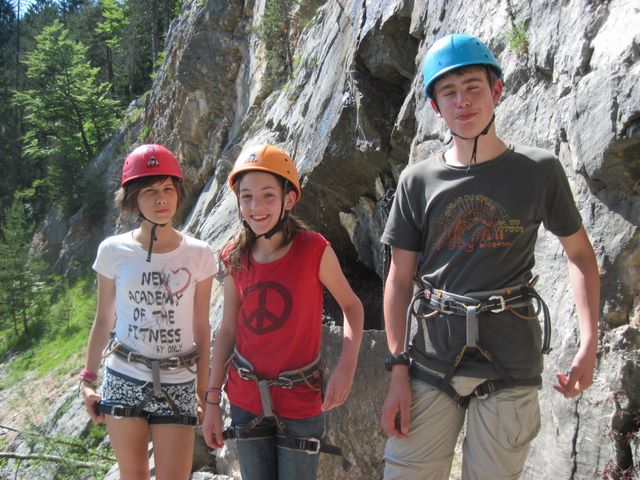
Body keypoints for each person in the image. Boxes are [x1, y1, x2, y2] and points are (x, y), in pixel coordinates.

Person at [379, 33, 600, 479]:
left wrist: (589, 342)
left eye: (473, 87)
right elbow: (399, 280)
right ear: (435, 106)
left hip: (510, 362)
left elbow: (579, 255)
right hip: (432, 361)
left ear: (496, 90)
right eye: (449, 92)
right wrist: (398, 370)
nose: (462, 101)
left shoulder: (538, 171)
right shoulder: (417, 181)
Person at [201, 143, 364, 480]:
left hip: (299, 398)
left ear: (288, 200)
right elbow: (228, 330)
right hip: (246, 397)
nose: (256, 207)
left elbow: (351, 306)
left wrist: (346, 368)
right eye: (247, 197)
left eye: (268, 196)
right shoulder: (234, 256)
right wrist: (213, 400)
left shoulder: (313, 249)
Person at [79, 144, 215, 480]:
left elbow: (201, 327)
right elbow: (103, 319)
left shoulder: (200, 254)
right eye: (150, 191)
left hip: (178, 376)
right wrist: (88, 380)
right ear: (132, 199)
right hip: (125, 374)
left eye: (168, 189)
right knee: (133, 475)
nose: (161, 200)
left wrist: (203, 390)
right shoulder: (113, 250)